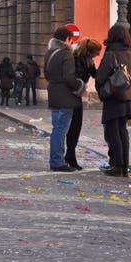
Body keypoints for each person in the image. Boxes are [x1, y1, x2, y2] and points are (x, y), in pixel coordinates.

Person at [95, 24, 131, 177]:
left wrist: (104, 89)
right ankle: (124, 166)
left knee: (112, 132)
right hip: (127, 99)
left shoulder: (111, 55)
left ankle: (117, 165)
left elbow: (100, 78)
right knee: (123, 131)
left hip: (113, 98)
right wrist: (128, 84)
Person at [44, 26, 81, 172]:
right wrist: (80, 86)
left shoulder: (49, 53)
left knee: (56, 128)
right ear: (67, 39)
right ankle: (57, 161)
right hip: (65, 96)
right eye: (71, 40)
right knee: (61, 129)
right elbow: (69, 77)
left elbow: (46, 75)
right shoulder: (66, 54)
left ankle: (56, 160)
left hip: (53, 94)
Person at [64, 37, 102, 170]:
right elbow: (77, 78)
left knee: (75, 126)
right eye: (96, 52)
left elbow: (96, 74)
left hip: (76, 95)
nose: (98, 55)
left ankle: (70, 155)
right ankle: (69, 156)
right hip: (71, 95)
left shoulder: (87, 60)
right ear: (89, 52)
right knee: (72, 126)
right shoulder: (76, 59)